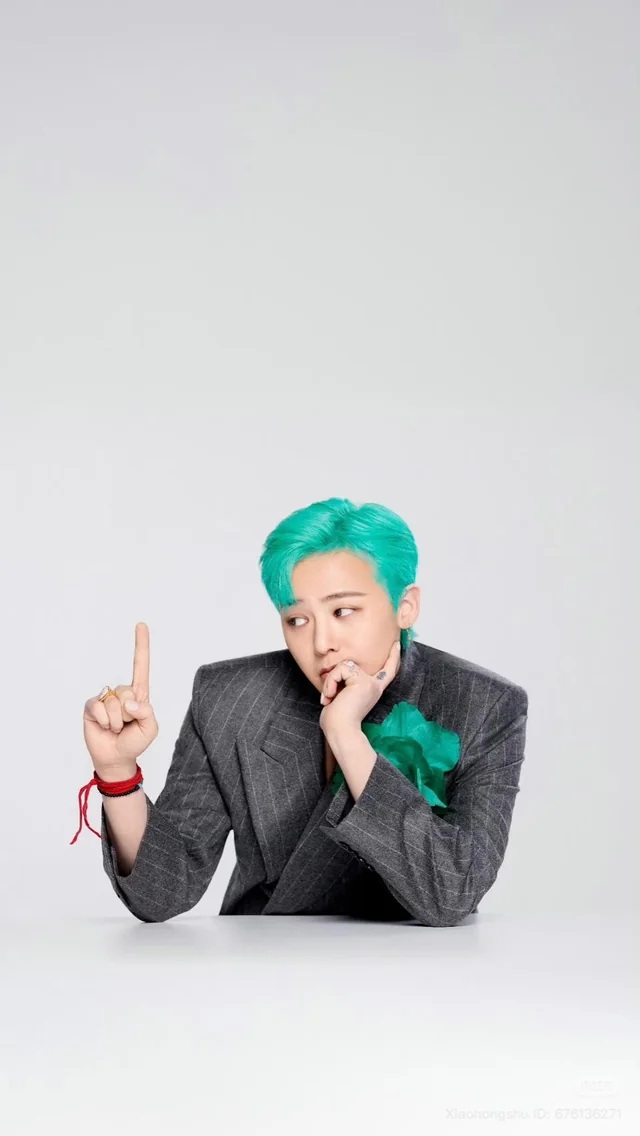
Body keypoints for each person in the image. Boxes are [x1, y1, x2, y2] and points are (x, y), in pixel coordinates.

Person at [74, 496, 529, 926]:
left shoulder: (484, 704)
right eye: (297, 620)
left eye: (343, 611)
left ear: (405, 607)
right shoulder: (230, 698)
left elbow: (452, 893)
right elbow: (162, 894)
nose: (321, 643)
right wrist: (117, 773)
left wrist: (346, 736)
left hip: (422, 970)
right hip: (265, 960)